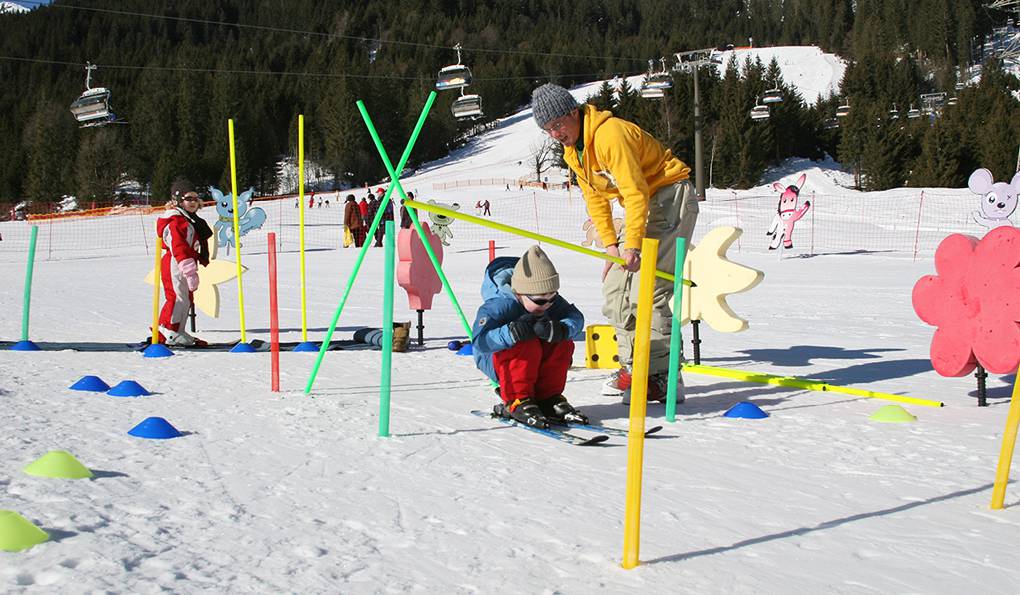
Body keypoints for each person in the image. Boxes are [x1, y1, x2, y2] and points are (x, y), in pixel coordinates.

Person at [530, 82, 700, 403]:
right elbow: (595, 200)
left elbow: (636, 191)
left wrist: (632, 245)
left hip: (668, 196)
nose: (555, 134)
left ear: (572, 112)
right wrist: (611, 246)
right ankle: (635, 368)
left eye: (557, 125)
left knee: (649, 290)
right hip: (642, 206)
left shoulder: (610, 135)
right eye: (547, 130)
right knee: (615, 291)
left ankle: (664, 376)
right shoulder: (573, 153)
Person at [472, 245, 587, 428]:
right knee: (526, 343)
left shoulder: (547, 299)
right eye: (540, 301)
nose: (547, 305)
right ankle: (518, 400)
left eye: (552, 298)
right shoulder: (500, 304)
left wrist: (562, 329)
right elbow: (480, 342)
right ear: (519, 293)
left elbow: (576, 318)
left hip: (535, 360)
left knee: (561, 342)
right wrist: (510, 333)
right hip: (496, 359)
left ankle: (548, 398)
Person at [156, 177, 213, 346]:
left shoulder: (189, 219)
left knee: (186, 298)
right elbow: (179, 246)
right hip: (175, 262)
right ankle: (168, 329)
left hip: (184, 263)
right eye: (188, 199)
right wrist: (189, 270)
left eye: (196, 198)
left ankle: (179, 330)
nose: (193, 202)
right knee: (176, 297)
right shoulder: (175, 220)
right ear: (178, 200)